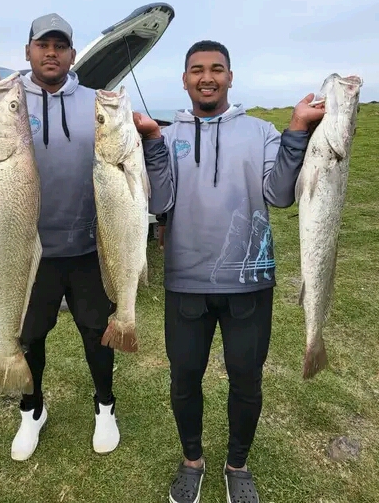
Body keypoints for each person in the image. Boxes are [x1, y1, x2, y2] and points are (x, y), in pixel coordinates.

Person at [133, 40, 325, 503]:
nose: (207, 77)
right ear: (184, 80)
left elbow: (280, 195)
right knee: (184, 379)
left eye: (217, 69)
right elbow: (159, 203)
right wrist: (153, 145)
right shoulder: (167, 135)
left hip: (249, 282)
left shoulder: (260, 132)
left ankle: (237, 464)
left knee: (246, 379)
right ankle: (192, 462)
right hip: (185, 282)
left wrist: (297, 128)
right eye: (197, 69)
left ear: (230, 78)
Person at [0, 13, 120, 462]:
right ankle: (32, 410)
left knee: (97, 333)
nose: (51, 53)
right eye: (42, 44)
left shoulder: (94, 102)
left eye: (60, 45)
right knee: (28, 336)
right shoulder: (5, 100)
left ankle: (105, 407)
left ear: (71, 53)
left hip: (87, 246)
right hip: (25, 253)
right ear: (28, 50)